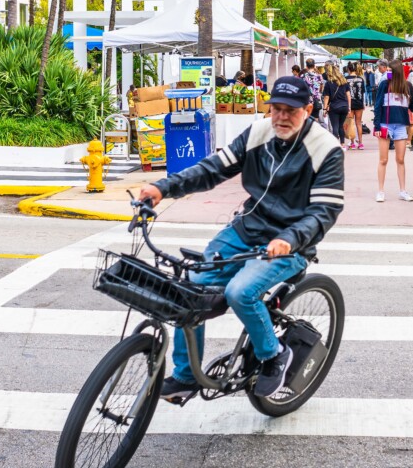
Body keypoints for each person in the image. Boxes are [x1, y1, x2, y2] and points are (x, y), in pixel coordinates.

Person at [138, 76, 345, 402]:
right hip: (246, 229)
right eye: (275, 109)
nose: (281, 117)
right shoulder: (258, 134)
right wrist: (163, 187)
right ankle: (186, 375)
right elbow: (212, 169)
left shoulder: (326, 149)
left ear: (308, 109)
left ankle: (273, 354)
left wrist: (290, 239)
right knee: (187, 290)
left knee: (240, 292)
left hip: (290, 244)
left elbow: (324, 211)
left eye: (290, 111)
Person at [373, 59, 413, 202]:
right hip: (385, 124)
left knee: (400, 159)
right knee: (383, 159)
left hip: (401, 125)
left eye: (389, 70)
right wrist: (376, 126)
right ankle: (380, 191)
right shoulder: (384, 84)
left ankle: (403, 191)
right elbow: (377, 105)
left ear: (396, 72)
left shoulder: (407, 86)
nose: (387, 73)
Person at [322, 63, 351, 147]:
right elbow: (348, 95)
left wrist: (324, 109)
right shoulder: (344, 82)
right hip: (344, 106)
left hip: (334, 107)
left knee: (335, 126)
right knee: (341, 126)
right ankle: (342, 143)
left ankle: (335, 144)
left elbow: (326, 97)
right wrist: (349, 106)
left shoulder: (328, 83)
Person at [345, 62, 367, 149]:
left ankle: (352, 142)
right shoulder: (361, 79)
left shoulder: (345, 79)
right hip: (359, 103)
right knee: (359, 123)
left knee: (351, 123)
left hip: (349, 103)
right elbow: (363, 92)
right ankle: (361, 143)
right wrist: (364, 103)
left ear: (349, 69)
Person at [301, 58, 326, 124]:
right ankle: (315, 131)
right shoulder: (319, 76)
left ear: (306, 66)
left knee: (306, 117)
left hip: (306, 100)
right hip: (316, 99)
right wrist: (318, 92)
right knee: (316, 118)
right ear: (314, 65)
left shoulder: (303, 76)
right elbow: (321, 87)